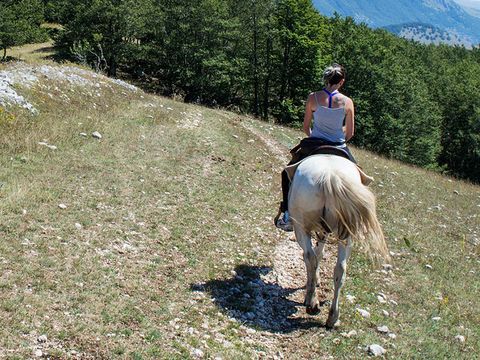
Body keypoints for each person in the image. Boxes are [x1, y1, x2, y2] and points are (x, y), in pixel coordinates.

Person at [276, 63, 357, 232]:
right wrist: (338, 134)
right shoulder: (347, 102)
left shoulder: (313, 98)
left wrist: (316, 133)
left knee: (287, 173)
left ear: (326, 79)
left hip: (315, 144)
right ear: (341, 81)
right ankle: (354, 219)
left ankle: (287, 214)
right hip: (339, 146)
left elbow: (306, 127)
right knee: (359, 178)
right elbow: (349, 133)